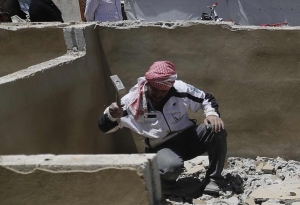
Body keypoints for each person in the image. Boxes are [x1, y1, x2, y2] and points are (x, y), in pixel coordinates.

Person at [98, 60, 228, 194]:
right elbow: (104, 127)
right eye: (155, 89)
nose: (158, 94)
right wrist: (112, 115)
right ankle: (164, 184)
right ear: (148, 83)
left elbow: (206, 98)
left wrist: (212, 114)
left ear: (170, 87)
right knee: (171, 167)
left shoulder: (180, 89)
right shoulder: (131, 102)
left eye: (163, 91)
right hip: (162, 147)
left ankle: (214, 179)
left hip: (188, 138)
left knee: (215, 128)